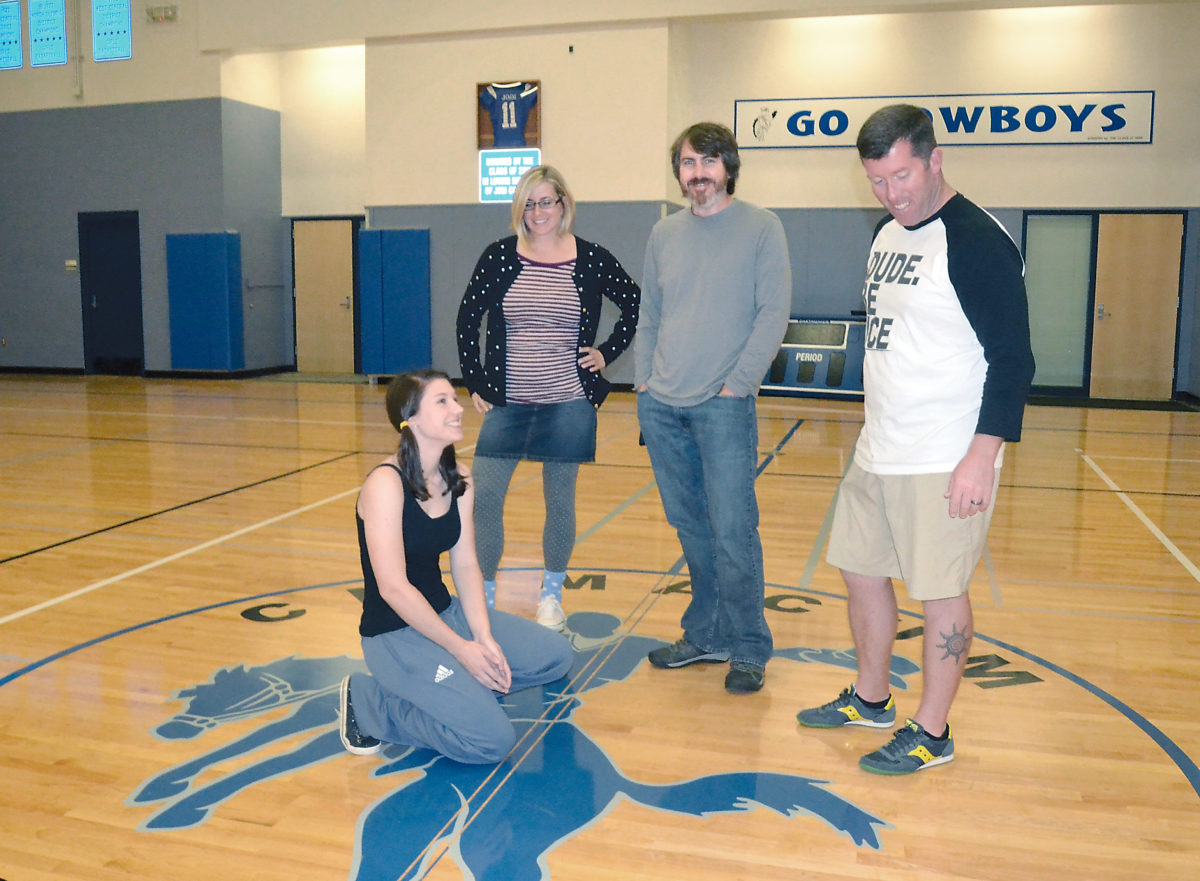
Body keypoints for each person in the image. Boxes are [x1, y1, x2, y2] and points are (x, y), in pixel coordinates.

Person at [796, 104, 1035, 774]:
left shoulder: (977, 242)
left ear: (935, 159)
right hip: (880, 446)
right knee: (860, 568)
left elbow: (1014, 358)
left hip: (944, 453)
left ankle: (932, 730)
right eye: (877, 180)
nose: (891, 193)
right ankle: (872, 698)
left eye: (902, 176)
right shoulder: (886, 232)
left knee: (940, 588)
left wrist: (980, 457)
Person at [339, 369, 573, 764]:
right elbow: (393, 588)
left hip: (446, 615)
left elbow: (465, 563)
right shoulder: (385, 485)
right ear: (410, 419)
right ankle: (370, 703)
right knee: (491, 743)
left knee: (556, 656)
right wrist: (461, 651)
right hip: (397, 636)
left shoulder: (458, 476)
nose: (458, 408)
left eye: (455, 398)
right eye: (442, 401)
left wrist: (482, 636)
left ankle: (458, 686)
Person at [635, 122, 792, 694]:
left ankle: (749, 645)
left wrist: (737, 387)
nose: (697, 173)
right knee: (691, 528)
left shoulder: (762, 228)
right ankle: (706, 635)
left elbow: (773, 313)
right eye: (686, 163)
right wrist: (644, 386)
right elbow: (649, 313)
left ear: (728, 166)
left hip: (723, 407)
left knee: (732, 531)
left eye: (707, 162)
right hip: (663, 404)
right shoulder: (663, 234)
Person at [456, 165, 640, 630]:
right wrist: (475, 380)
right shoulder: (499, 256)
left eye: (547, 202)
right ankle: (488, 598)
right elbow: (467, 317)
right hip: (509, 401)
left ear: (563, 205)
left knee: (560, 500)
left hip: (568, 401)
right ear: (521, 209)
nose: (539, 212)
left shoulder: (591, 258)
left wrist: (607, 353)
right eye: (530, 203)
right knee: (485, 498)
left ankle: (551, 598)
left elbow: (634, 301)